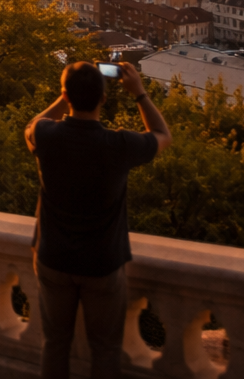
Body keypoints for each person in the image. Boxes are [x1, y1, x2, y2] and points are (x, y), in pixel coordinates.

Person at [24, 61, 171, 379]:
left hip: (53, 258)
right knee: (105, 349)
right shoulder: (119, 145)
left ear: (66, 95)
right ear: (104, 99)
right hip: (102, 263)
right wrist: (140, 93)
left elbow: (32, 125)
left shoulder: (46, 135)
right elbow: (162, 135)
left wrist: (64, 97)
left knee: (55, 343)